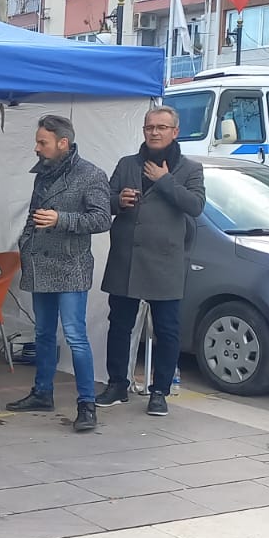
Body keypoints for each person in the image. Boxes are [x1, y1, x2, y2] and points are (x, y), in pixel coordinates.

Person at [6, 115, 111, 432]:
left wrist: (61, 219)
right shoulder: (43, 174)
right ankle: (42, 392)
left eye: (43, 143)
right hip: (41, 263)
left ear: (62, 143)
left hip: (69, 267)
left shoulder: (91, 175)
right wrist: (26, 243)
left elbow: (101, 220)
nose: (37, 148)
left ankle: (87, 404)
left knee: (76, 336)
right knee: (42, 334)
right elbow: (33, 215)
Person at [100, 105, 206, 417]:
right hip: (127, 258)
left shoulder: (189, 169)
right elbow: (103, 200)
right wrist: (118, 201)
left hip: (164, 261)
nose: (155, 133)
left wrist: (163, 180)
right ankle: (117, 383)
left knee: (167, 329)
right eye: (150, 127)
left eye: (161, 128)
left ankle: (159, 390)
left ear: (175, 132)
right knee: (119, 325)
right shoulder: (127, 164)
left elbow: (196, 205)